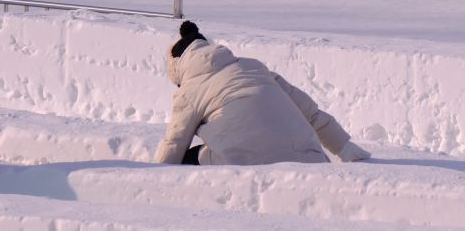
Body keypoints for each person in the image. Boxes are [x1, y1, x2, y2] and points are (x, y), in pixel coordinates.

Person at [156, 21, 369, 167]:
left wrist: (155, 176)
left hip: (246, 163)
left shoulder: (189, 91)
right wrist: (343, 147)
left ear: (178, 67)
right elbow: (310, 112)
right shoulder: (255, 67)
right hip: (309, 158)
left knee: (189, 158)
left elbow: (175, 141)